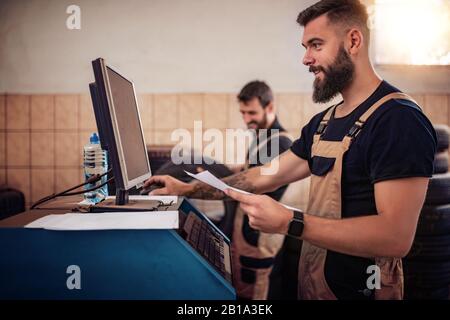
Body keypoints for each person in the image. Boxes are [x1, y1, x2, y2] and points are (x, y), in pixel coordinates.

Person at [144, 0, 436, 300]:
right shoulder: (323, 123)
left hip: (364, 291)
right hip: (314, 283)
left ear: (353, 41)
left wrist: (289, 221)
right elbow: (260, 178)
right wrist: (187, 188)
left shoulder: (398, 120)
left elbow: (395, 237)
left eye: (316, 45)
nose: (306, 59)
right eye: (304, 47)